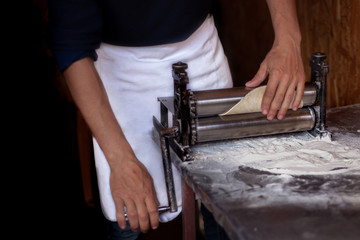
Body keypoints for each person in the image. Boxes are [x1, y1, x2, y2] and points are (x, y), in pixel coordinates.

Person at [47, 0, 305, 239]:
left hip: (200, 49)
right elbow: (71, 45)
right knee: (129, 213)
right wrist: (120, 160)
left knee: (224, 205)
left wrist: (288, 38)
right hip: (122, 73)